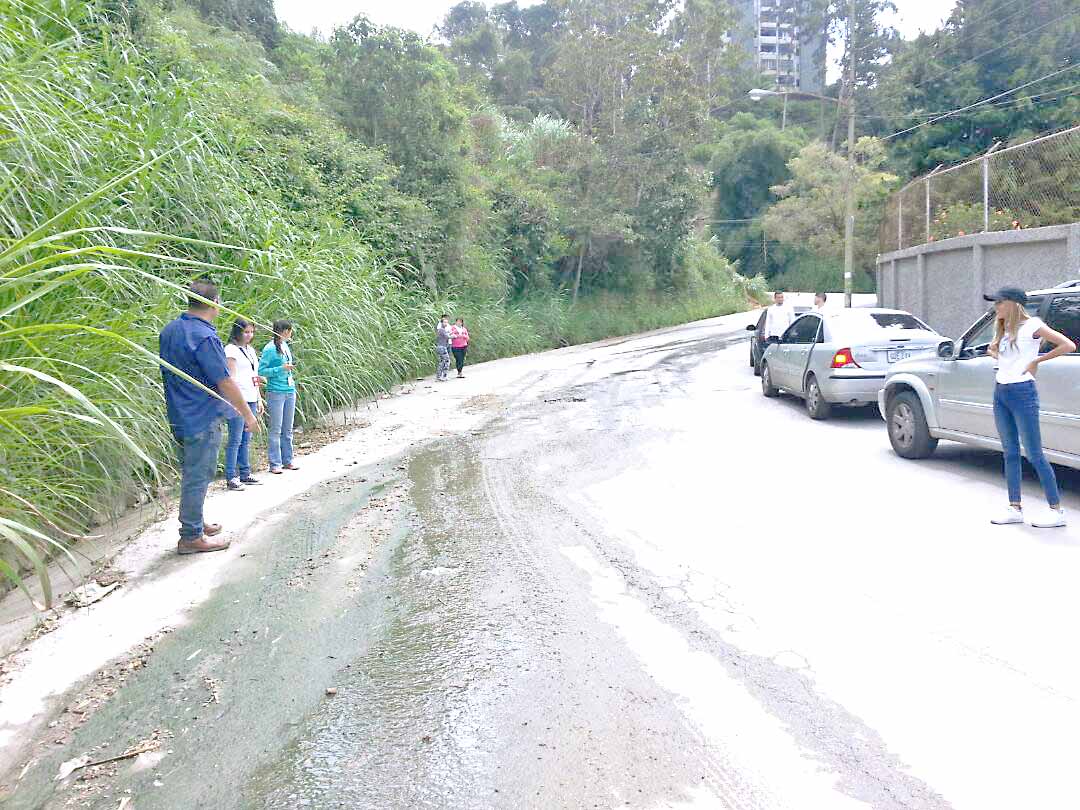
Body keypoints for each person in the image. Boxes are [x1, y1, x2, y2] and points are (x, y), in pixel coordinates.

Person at [159, 280, 258, 555]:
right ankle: (191, 536)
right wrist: (248, 415)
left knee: (193, 472)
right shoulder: (205, 337)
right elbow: (224, 381)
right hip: (202, 415)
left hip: (179, 413)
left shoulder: (170, 331)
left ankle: (196, 523)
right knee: (198, 475)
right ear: (214, 303)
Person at [986, 287, 1075, 528]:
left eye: (999, 302)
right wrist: (995, 351)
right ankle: (1015, 507)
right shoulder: (1005, 328)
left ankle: (1056, 511)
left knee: (1035, 454)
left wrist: (1036, 361)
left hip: (1022, 392)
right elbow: (1007, 355)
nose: (996, 307)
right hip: (1001, 391)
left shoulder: (1032, 325)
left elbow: (1067, 345)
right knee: (1010, 453)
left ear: (1014, 304)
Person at [223, 318, 263, 491]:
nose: (249, 335)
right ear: (238, 332)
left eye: (251, 332)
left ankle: (245, 472)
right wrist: (232, 400)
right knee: (236, 438)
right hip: (239, 398)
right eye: (246, 332)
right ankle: (231, 476)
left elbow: (254, 375)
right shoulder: (231, 350)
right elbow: (231, 377)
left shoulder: (251, 350)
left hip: (251, 396)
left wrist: (259, 397)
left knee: (247, 438)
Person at [260, 319, 299, 475]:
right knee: (276, 428)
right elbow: (262, 370)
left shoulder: (285, 346)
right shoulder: (270, 348)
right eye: (289, 331)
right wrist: (279, 369)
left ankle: (287, 460)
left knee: (287, 428)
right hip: (276, 391)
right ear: (283, 331)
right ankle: (274, 462)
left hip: (289, 389)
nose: (290, 334)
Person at [435, 314, 452, 382]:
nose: (446, 323)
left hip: (441, 346)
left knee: (442, 361)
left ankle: (439, 376)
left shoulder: (442, 330)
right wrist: (454, 336)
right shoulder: (441, 329)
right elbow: (447, 336)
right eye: (444, 322)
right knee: (447, 361)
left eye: (446, 322)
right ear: (441, 323)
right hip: (442, 347)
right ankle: (444, 376)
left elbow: (447, 335)